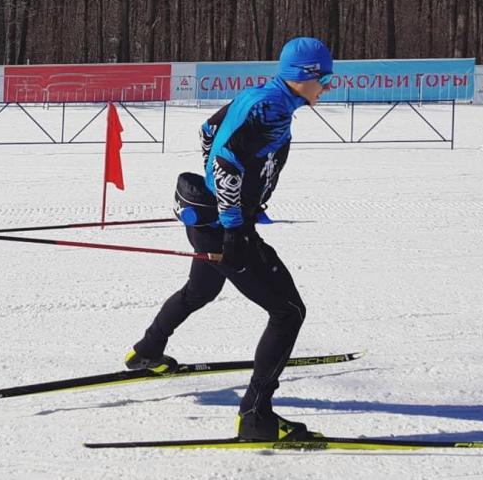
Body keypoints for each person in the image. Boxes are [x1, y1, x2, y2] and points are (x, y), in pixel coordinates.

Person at [125, 36, 334, 441]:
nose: (327, 86)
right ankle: (256, 416)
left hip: (206, 220)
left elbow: (208, 132)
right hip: (224, 229)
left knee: (199, 290)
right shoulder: (272, 110)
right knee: (288, 311)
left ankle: (148, 351)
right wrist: (235, 222)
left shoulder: (261, 96)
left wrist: (238, 199)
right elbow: (225, 163)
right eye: (325, 78)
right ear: (304, 75)